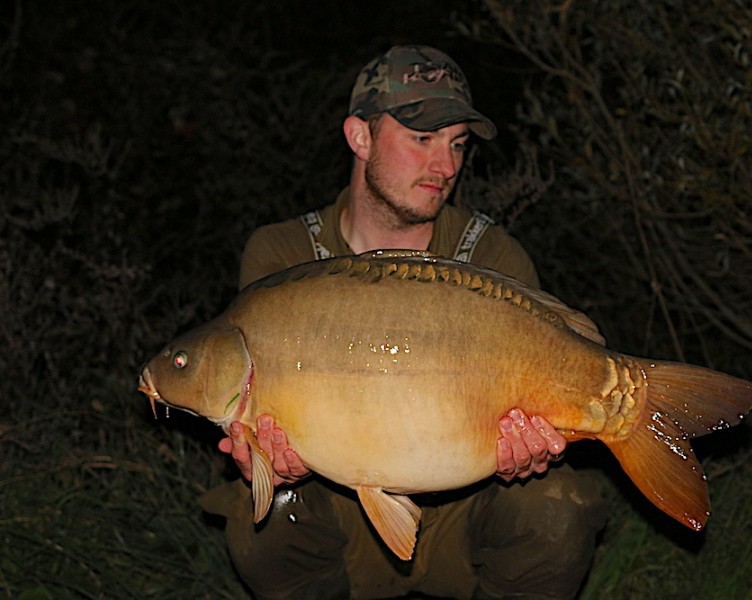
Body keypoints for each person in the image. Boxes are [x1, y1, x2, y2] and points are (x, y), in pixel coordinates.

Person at [200, 45, 606, 600]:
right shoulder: (284, 253)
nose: (446, 166)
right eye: (422, 139)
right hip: (341, 518)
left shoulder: (491, 256)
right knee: (264, 516)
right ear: (359, 137)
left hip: (466, 513)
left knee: (557, 510)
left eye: (457, 144)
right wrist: (273, 463)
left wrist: (525, 453)